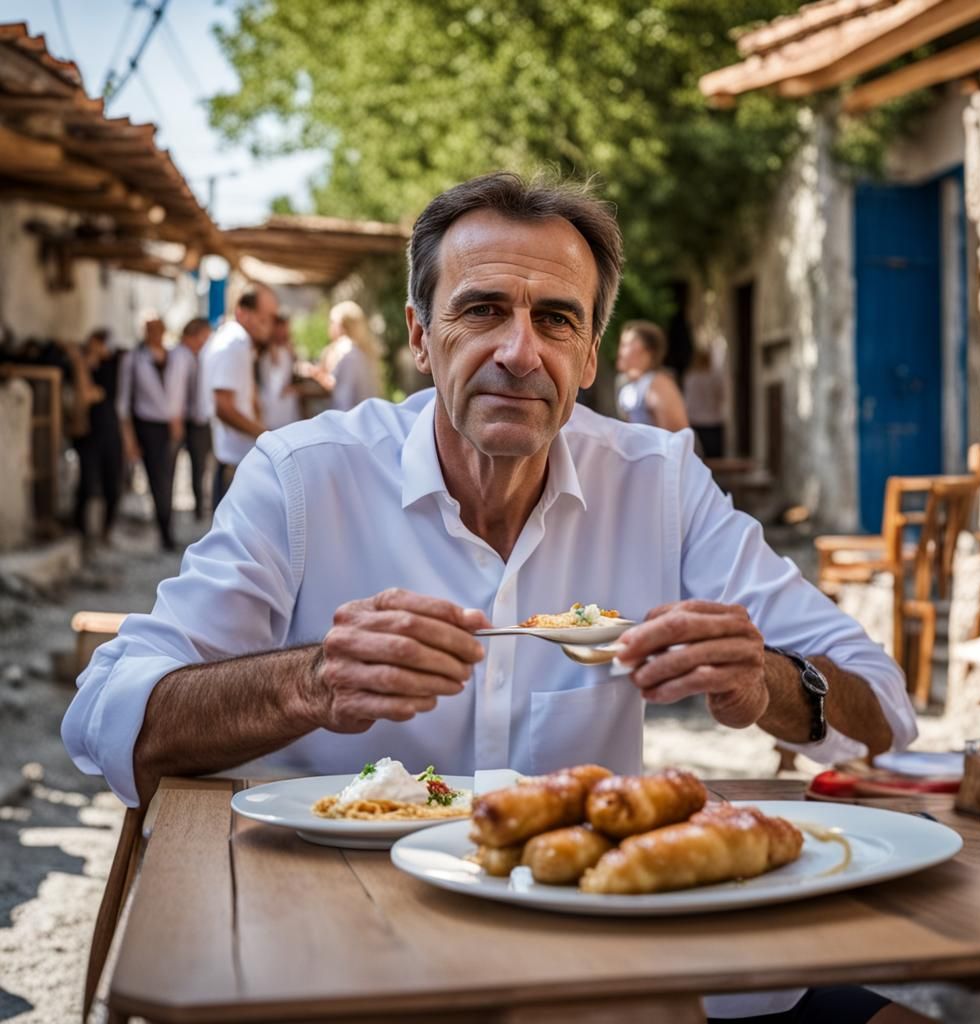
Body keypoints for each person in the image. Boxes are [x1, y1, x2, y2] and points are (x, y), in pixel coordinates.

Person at [65, 173, 919, 1023]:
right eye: (481, 311)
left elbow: (881, 711)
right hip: (339, 951)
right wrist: (311, 682)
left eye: (557, 319)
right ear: (419, 337)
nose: (520, 351)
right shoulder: (304, 476)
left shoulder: (658, 484)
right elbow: (109, 717)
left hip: (592, 943)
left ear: (590, 356)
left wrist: (762, 681)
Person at [202, 283, 278, 508]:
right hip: (234, 463)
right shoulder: (235, 343)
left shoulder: (235, 340)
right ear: (243, 314)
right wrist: (267, 436)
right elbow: (223, 407)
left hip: (231, 458)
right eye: (266, 319)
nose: (270, 327)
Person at [116, 313, 182, 551]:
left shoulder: (176, 356)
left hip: (170, 426)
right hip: (147, 427)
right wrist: (129, 439)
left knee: (169, 479)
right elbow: (123, 404)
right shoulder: (133, 360)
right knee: (157, 480)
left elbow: (178, 392)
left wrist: (178, 418)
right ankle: (165, 532)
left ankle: (168, 528)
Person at [67, 329, 123, 542]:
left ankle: (105, 531)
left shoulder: (110, 369)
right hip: (87, 436)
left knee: (112, 487)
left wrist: (81, 364)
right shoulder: (77, 366)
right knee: (87, 485)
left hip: (108, 434)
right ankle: (81, 531)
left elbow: (89, 395)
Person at [168, 318, 213, 520]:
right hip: (184, 420)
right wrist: (176, 421)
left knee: (199, 467)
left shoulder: (194, 356)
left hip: (194, 420)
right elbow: (176, 392)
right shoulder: (180, 356)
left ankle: (198, 510)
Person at [615, 320, 689, 431]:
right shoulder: (629, 385)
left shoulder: (659, 384)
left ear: (647, 352)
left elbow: (677, 437)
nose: (620, 351)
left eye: (626, 344)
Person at [321, 300, 384, 411]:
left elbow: (343, 397)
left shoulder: (346, 352)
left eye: (332, 322)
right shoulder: (363, 351)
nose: (329, 327)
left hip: (353, 418)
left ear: (342, 326)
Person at [258, 311, 302, 430]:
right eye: (282, 327)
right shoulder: (269, 353)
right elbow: (273, 383)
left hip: (287, 406)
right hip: (273, 406)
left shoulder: (287, 349)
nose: (285, 331)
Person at [684, 346, 727, 459]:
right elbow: (722, 395)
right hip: (713, 419)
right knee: (714, 455)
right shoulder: (714, 377)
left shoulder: (691, 377)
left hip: (695, 419)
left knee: (699, 456)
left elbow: (688, 399)